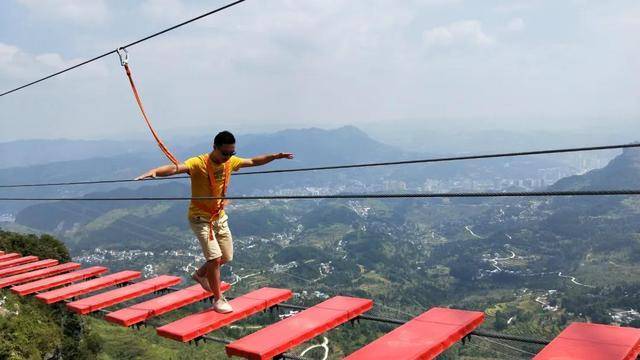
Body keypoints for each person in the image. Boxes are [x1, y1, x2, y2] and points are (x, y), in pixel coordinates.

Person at [135, 131, 293, 313]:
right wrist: (154, 172)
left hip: (219, 216)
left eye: (231, 153)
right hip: (200, 218)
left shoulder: (230, 162)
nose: (228, 157)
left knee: (226, 257)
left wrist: (275, 157)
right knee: (215, 258)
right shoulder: (199, 163)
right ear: (214, 148)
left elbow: (253, 161)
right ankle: (218, 299)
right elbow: (176, 168)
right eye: (224, 153)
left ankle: (200, 274)